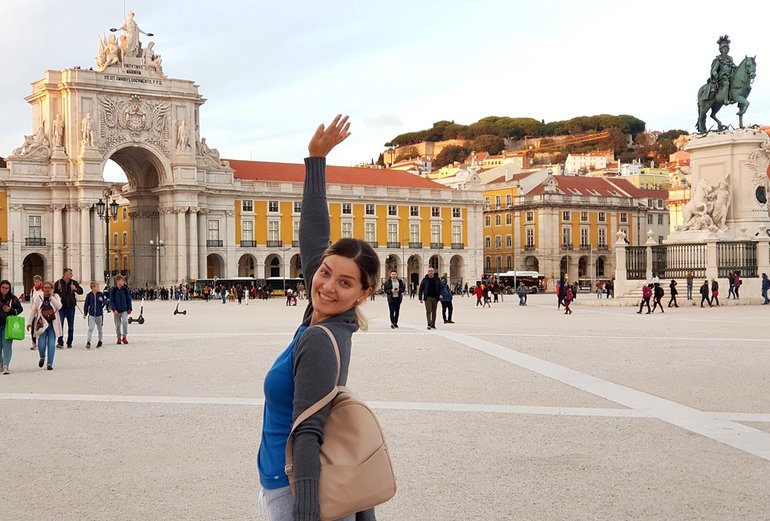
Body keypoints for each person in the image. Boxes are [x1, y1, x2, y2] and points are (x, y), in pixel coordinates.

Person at [256, 115, 378, 520]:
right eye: (325, 272)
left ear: (364, 293)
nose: (327, 285)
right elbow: (313, 240)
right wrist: (316, 161)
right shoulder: (324, 318)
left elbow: (307, 433)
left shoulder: (317, 339)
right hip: (288, 484)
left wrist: (305, 515)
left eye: (345, 282)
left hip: (292, 491)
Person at [27, 281, 62, 371]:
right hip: (41, 324)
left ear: (52, 288)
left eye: (49, 287)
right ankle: (42, 357)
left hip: (52, 324)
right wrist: (29, 322)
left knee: (51, 344)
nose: (47, 289)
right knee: (41, 345)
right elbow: (33, 310)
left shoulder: (56, 296)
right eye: (45, 287)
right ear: (42, 289)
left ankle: (50, 363)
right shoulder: (38, 298)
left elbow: (59, 306)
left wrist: (51, 298)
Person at [54, 268, 84, 348]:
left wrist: (75, 289)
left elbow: (81, 291)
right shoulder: (58, 283)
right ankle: (60, 342)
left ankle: (69, 342)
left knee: (71, 327)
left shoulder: (74, 282)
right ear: (65, 274)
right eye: (70, 273)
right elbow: (54, 294)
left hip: (71, 307)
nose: (72, 275)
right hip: (61, 308)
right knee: (60, 326)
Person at [0, 280, 23, 375]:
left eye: (7, 288)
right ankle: (0, 363)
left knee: (7, 346)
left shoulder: (13, 298)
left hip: (8, 325)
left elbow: (20, 309)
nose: (5, 289)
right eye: (3, 287)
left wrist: (11, 310)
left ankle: (6, 365)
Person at [109, 275, 132, 345]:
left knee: (125, 322)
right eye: (122, 281)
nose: (124, 282)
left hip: (124, 309)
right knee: (117, 325)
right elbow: (111, 301)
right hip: (116, 310)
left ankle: (124, 336)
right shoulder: (113, 290)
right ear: (118, 281)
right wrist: (114, 309)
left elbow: (128, 299)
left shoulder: (125, 289)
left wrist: (129, 308)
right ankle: (118, 337)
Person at [83, 281, 106, 349]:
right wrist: (85, 313)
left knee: (100, 329)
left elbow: (106, 301)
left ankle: (100, 341)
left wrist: (102, 301)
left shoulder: (101, 294)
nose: (99, 288)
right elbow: (86, 305)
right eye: (97, 287)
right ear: (93, 288)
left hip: (99, 314)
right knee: (90, 328)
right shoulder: (89, 295)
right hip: (92, 315)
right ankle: (88, 342)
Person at [28, 275, 44, 350]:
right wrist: (32, 309)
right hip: (34, 311)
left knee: (41, 327)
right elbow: (32, 300)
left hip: (42, 311)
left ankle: (41, 342)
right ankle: (33, 342)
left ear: (41, 282)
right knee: (33, 327)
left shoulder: (44, 289)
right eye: (35, 282)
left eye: (38, 281)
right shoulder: (32, 290)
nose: (36, 283)